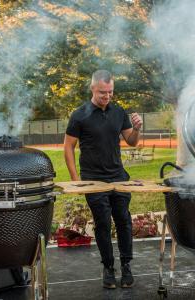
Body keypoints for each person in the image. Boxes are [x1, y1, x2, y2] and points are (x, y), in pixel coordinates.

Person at [64, 70, 142, 289]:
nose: (107, 96)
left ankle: (126, 265)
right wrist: (76, 180)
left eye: (110, 92)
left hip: (119, 177)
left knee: (124, 220)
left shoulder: (119, 112)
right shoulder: (79, 115)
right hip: (93, 179)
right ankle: (108, 267)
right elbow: (68, 147)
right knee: (103, 223)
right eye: (102, 93)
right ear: (92, 89)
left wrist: (136, 128)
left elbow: (132, 141)